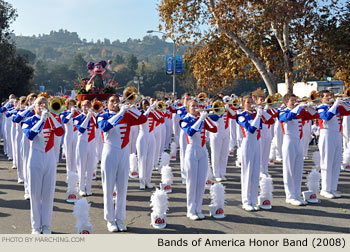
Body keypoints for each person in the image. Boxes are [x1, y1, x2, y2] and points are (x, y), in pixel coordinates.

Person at [97, 94, 147, 232]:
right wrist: (120, 112)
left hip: (124, 152)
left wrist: (131, 109)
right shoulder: (102, 115)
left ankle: (120, 218)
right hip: (109, 151)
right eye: (112, 101)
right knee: (108, 187)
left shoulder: (126, 114)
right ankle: (110, 219)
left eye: (117, 101)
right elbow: (105, 127)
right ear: (107, 104)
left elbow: (143, 119)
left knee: (122, 187)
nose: (115, 103)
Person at [22, 96, 64, 234]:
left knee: (48, 193)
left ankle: (46, 225)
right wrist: (42, 120)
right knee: (34, 194)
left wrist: (50, 117)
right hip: (35, 157)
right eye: (39, 103)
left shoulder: (53, 120)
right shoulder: (28, 121)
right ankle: (35, 226)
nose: (42, 105)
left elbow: (60, 132)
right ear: (34, 107)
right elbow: (31, 135)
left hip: (50, 157)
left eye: (44, 103)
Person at [180, 99, 217, 220]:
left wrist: (205, 118)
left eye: (197, 106)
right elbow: (190, 132)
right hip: (192, 151)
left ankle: (198, 208)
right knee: (192, 182)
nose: (196, 108)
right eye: (193, 106)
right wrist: (201, 119)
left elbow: (214, 129)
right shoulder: (184, 120)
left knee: (201, 182)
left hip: (203, 151)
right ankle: (190, 210)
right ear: (188, 108)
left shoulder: (201, 119)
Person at [278, 94, 318, 206]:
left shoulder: (299, 111)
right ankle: (290, 196)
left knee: (298, 169)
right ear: (286, 102)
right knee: (289, 170)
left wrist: (309, 107)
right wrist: (299, 107)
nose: (295, 102)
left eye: (295, 100)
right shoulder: (283, 111)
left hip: (298, 142)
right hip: (289, 141)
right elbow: (285, 118)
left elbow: (315, 115)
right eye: (292, 100)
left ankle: (297, 194)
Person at [236, 95, 274, 211]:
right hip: (247, 143)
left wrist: (262, 111)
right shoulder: (240, 116)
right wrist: (258, 114)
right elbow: (251, 129)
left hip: (257, 142)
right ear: (243, 105)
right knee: (247, 173)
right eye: (248, 102)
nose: (251, 104)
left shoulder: (255, 113)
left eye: (252, 102)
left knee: (255, 173)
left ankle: (253, 200)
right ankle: (246, 201)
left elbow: (271, 120)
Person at [316, 90, 350, 198]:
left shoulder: (336, 107)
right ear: (321, 99)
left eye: (330, 96)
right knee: (327, 163)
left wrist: (343, 103)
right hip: (326, 134)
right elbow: (327, 117)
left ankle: (333, 188)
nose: (329, 98)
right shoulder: (321, 107)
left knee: (336, 163)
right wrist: (335, 104)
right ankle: (325, 189)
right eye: (326, 96)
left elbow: (349, 111)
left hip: (336, 135)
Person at [136, 99, 163, 189]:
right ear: (141, 105)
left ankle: (148, 180)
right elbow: (142, 120)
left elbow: (161, 119)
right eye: (144, 104)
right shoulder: (139, 112)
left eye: (147, 103)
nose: (146, 105)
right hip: (142, 135)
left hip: (151, 136)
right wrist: (148, 110)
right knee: (142, 159)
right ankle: (142, 181)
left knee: (150, 159)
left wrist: (154, 110)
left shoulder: (152, 112)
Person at [73, 100, 97, 196]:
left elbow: (99, 126)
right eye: (83, 105)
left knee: (90, 167)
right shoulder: (77, 118)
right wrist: (88, 117)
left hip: (91, 143)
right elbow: (82, 129)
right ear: (81, 107)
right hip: (82, 143)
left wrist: (94, 115)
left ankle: (88, 187)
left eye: (88, 105)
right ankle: (81, 188)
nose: (86, 107)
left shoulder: (94, 117)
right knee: (81, 166)